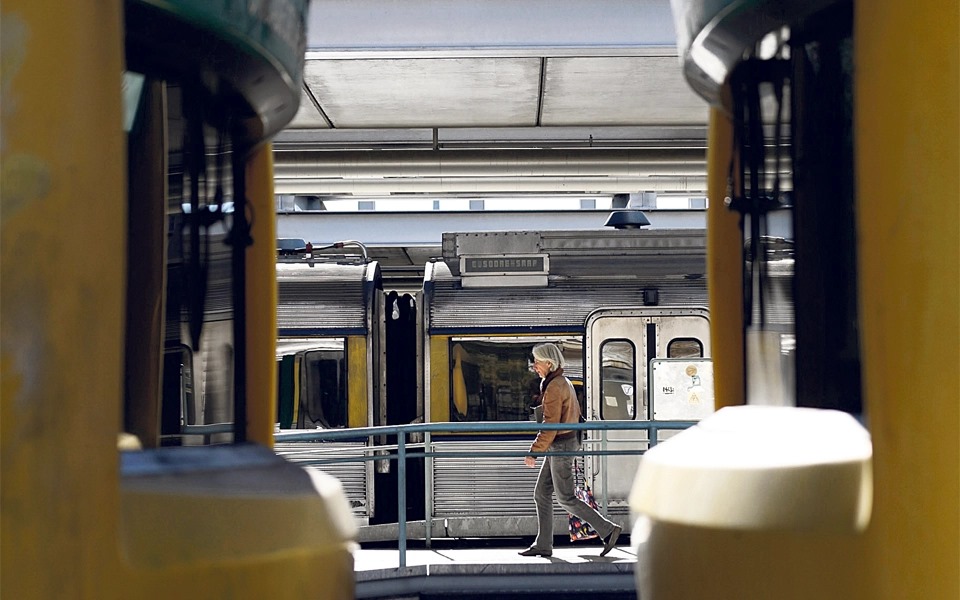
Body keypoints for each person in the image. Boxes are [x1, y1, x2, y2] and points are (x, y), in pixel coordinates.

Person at [519, 343, 622, 558]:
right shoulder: (559, 381)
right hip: (562, 443)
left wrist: (534, 451)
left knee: (565, 497)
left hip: (561, 444)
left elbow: (551, 424)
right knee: (541, 493)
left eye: (537, 361)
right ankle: (544, 544)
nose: (534, 366)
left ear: (549, 363)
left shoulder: (555, 386)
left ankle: (608, 530)